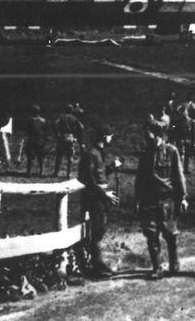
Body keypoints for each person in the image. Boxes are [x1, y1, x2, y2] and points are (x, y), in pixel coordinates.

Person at [135, 119, 187, 280]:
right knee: (151, 235)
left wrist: (183, 197)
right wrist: (138, 199)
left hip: (167, 201)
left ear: (156, 134)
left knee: (170, 234)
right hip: (149, 201)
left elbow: (179, 175)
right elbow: (140, 178)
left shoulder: (172, 151)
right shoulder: (145, 152)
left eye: (148, 132)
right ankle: (157, 268)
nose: (145, 136)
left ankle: (174, 264)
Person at [77, 124, 120, 278]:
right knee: (97, 231)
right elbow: (89, 179)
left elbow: (98, 174)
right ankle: (97, 266)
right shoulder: (92, 153)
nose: (111, 138)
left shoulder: (97, 153)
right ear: (104, 137)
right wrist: (104, 194)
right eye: (110, 136)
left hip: (99, 197)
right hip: (96, 197)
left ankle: (98, 263)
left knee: (99, 230)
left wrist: (112, 167)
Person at [53, 103, 85, 177]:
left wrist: (57, 134)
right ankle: (68, 173)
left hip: (62, 137)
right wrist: (76, 133)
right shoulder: (74, 118)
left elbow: (55, 124)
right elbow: (81, 127)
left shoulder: (61, 117)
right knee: (70, 156)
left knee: (59, 155)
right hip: (71, 137)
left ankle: (56, 172)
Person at [22, 105, 49, 177]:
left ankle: (29, 172)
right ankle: (41, 172)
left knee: (30, 157)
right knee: (40, 157)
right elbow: (45, 131)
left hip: (32, 139)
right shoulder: (43, 120)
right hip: (40, 140)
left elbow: (27, 130)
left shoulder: (30, 120)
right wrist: (45, 140)